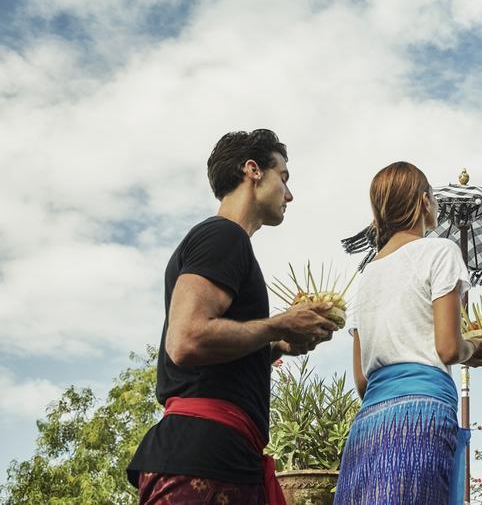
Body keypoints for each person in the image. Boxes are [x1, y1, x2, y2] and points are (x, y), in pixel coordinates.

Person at [128, 129, 338, 504]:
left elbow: (215, 351)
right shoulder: (223, 236)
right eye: (284, 178)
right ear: (253, 170)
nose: (289, 195)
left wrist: (279, 344)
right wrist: (280, 323)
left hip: (222, 456)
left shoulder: (227, 241)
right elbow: (188, 339)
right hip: (202, 457)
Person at [334, 161, 482, 505]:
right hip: (422, 414)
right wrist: (474, 347)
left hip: (370, 421)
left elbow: (362, 380)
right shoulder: (441, 251)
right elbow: (448, 348)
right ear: (425, 202)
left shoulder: (367, 275)